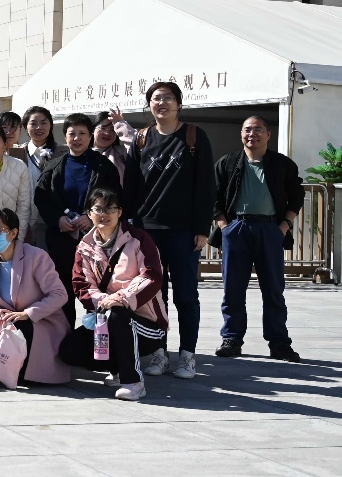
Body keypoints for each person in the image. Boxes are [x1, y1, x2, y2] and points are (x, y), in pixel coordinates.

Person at [123, 80, 215, 380]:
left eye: (167, 98)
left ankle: (187, 356)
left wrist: (202, 228)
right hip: (148, 230)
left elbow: (206, 185)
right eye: (156, 98)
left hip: (184, 231)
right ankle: (158, 353)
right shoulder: (141, 139)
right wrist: (130, 227)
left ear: (179, 104)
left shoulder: (194, 136)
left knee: (186, 295)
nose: (161, 103)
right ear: (149, 105)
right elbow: (131, 186)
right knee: (154, 296)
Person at [60, 188, 169, 401]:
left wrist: (120, 298)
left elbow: (151, 276)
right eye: (98, 209)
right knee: (70, 349)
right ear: (89, 213)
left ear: (120, 212)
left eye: (111, 209)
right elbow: (82, 284)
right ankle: (117, 368)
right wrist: (104, 301)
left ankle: (133, 381)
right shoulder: (84, 246)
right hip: (106, 317)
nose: (105, 214)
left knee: (119, 316)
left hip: (147, 325)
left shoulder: (139, 239)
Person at [213, 115, 303, 362]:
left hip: (270, 229)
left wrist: (284, 225)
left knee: (273, 289)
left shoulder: (282, 164)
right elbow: (214, 194)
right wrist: (224, 225)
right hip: (236, 229)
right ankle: (232, 339)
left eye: (258, 129)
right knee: (232, 289)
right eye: (247, 130)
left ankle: (279, 343)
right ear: (241, 134)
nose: (252, 134)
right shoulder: (228, 162)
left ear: (268, 134)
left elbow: (297, 195)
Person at [34, 113, 121, 326]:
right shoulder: (53, 166)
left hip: (96, 240)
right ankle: (65, 337)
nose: (77, 138)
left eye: (82, 133)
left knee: (95, 289)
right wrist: (57, 219)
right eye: (72, 133)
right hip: (61, 239)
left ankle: (96, 336)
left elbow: (115, 198)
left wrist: (92, 218)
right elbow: (41, 198)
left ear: (90, 136)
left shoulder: (104, 167)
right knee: (63, 290)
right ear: (65, 136)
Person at [0, 208, 70, 386]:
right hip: (8, 318)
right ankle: (3, 370)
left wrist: (28, 313)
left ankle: (25, 371)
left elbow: (59, 294)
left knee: (20, 327)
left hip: (41, 321)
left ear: (13, 233)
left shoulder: (36, 256)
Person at [11, 105, 60, 251]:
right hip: (24, 219)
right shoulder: (15, 153)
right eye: (33, 123)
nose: (39, 127)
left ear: (50, 125)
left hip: (54, 220)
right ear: (26, 127)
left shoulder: (63, 152)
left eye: (44, 123)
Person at [93, 108, 135, 183]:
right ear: (93, 130)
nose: (107, 133)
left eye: (112, 130)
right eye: (103, 128)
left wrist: (120, 124)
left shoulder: (122, 152)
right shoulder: (83, 153)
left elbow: (136, 145)